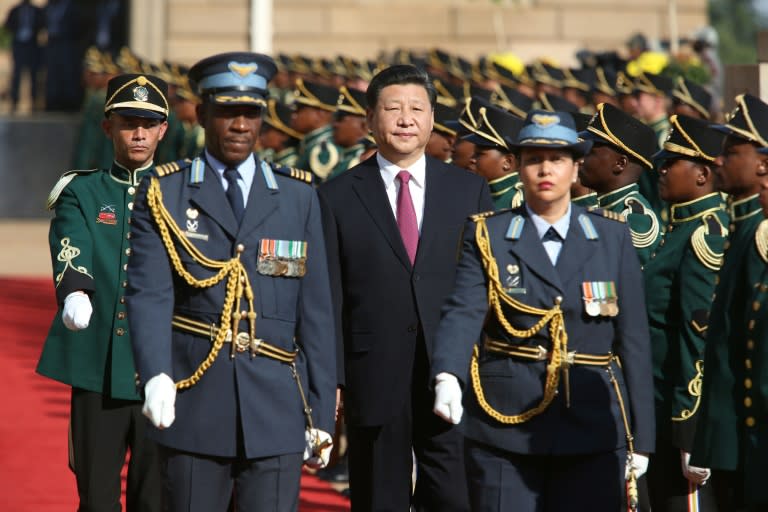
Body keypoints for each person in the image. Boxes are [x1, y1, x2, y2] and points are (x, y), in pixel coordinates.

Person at [125, 52, 336, 512]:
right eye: (227, 112)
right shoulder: (167, 192)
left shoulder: (297, 196)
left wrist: (321, 411)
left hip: (279, 406)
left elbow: (315, 310)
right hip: (195, 401)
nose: (240, 125)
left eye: (251, 113)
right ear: (202, 115)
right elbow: (150, 294)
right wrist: (157, 373)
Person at [430, 109, 655, 511]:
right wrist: (447, 373)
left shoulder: (610, 236)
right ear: (516, 166)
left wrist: (643, 436)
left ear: (575, 168)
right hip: (506, 423)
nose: (545, 170)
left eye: (557, 159)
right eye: (533, 159)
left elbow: (634, 340)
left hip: (592, 425)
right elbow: (463, 308)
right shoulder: (489, 233)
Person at [318, 64, 492, 512]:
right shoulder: (336, 196)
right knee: (379, 496)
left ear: (432, 118)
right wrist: (331, 379)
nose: (405, 119)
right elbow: (329, 295)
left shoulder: (468, 191)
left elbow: (483, 290)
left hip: (451, 373)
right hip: (372, 372)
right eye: (392, 109)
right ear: (372, 119)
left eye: (416, 109)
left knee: (455, 495)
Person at [36, 72, 170, 512]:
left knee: (156, 497)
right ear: (107, 125)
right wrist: (76, 290)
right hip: (100, 366)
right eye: (129, 122)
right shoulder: (84, 190)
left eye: (148, 124)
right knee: (96, 496)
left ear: (162, 130)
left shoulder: (181, 191)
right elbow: (72, 241)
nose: (138, 133)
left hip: (164, 368)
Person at [643, 114, 727, 511]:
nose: (661, 170)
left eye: (671, 163)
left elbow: (698, 341)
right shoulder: (678, 228)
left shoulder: (702, 235)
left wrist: (689, 431)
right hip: (659, 407)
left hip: (681, 416)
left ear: (702, 174)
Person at [691, 93, 768, 511]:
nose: (719, 161)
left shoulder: (760, 237)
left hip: (746, 434)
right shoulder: (743, 228)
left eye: (732, 152)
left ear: (762, 164)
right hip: (728, 432)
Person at [580, 102, 662, 267]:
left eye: (591, 151)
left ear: (620, 163)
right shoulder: (604, 207)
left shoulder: (634, 219)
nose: (581, 159)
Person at [463, 102, 525, 209]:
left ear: (507, 162)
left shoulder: (517, 201)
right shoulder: (478, 192)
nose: (472, 159)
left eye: (479, 154)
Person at [3, 0, 43, 113]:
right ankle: (14, 100)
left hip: (32, 46)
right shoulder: (15, 10)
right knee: (17, 74)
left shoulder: (36, 11)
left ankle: (34, 101)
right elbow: (7, 24)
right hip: (19, 45)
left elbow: (42, 24)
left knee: (33, 74)